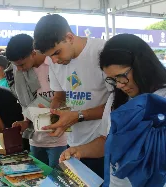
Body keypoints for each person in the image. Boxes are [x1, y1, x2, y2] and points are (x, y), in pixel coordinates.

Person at [60, 34, 166, 186]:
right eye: (113, 80)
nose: (119, 85)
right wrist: (80, 150)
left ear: (142, 64)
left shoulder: (161, 99)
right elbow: (106, 140)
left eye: (121, 76)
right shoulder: (116, 100)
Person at [33, 14, 110, 177]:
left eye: (57, 53)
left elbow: (118, 106)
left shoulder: (102, 52)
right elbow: (60, 97)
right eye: (49, 56)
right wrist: (53, 116)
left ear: (69, 37)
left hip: (103, 146)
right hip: (73, 146)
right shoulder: (55, 63)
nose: (54, 61)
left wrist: (78, 116)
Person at [5, 34, 67, 168]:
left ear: (33, 53)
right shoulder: (18, 73)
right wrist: (25, 122)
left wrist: (49, 115)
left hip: (59, 140)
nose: (19, 69)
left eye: (21, 64)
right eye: (16, 66)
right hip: (35, 140)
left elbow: (63, 97)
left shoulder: (54, 64)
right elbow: (26, 105)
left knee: (56, 180)